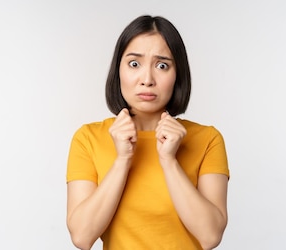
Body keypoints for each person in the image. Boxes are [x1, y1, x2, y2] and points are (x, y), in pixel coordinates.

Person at [66, 15, 230, 250]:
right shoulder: (88, 138)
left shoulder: (207, 139)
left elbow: (211, 235)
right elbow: (82, 237)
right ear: (118, 70)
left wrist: (169, 160)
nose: (147, 79)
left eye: (162, 65)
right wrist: (122, 160)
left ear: (177, 74)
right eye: (134, 64)